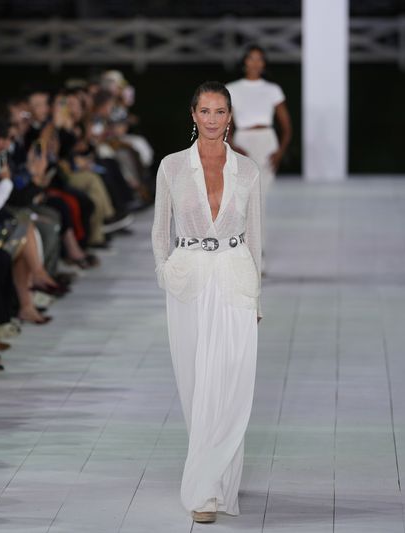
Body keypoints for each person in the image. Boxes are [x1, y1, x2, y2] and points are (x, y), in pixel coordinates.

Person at [151, 81, 262, 523]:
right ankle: (210, 480)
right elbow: (161, 229)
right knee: (197, 384)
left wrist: (257, 298)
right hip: (190, 281)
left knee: (232, 382)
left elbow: (255, 236)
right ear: (193, 115)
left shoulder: (248, 170)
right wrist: (166, 272)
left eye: (220, 111)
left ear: (230, 116)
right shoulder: (172, 167)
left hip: (235, 277)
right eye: (205, 111)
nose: (213, 119)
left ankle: (207, 487)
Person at [227, 45, 292, 237]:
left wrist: (280, 151)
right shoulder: (232, 89)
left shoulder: (272, 90)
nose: (255, 63)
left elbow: (287, 126)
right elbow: (224, 123)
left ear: (264, 64)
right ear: (244, 62)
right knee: (244, 197)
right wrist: (231, 145)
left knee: (259, 198)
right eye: (251, 58)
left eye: (260, 59)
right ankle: (246, 246)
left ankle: (257, 252)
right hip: (242, 142)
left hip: (266, 141)